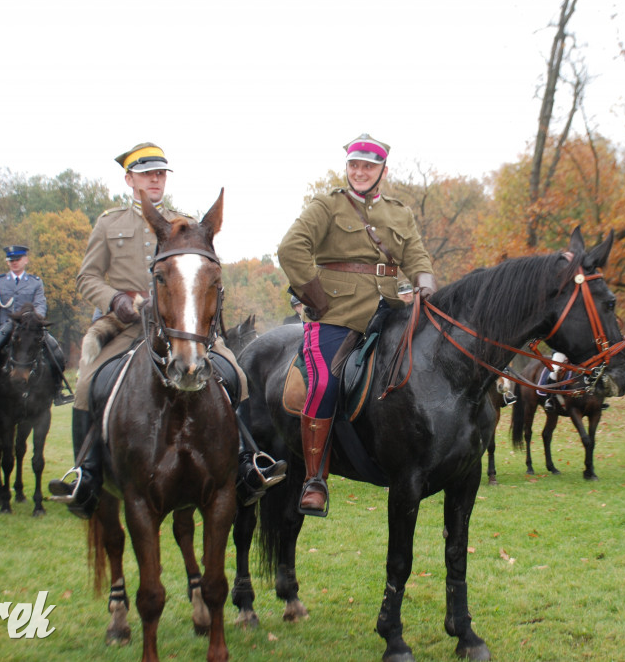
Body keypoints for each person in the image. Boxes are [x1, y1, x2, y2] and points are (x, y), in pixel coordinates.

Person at [49, 142, 285, 518]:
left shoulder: (185, 223)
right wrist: (115, 300)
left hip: (180, 329)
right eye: (146, 174)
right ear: (129, 179)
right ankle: (86, 473)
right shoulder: (110, 223)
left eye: (159, 174)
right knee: (85, 381)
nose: (154, 180)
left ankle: (246, 462)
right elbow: (87, 277)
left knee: (235, 373)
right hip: (127, 327)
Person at [277, 133, 437, 517]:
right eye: (354, 165)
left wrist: (426, 283)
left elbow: (415, 253)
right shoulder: (327, 205)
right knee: (325, 380)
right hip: (338, 313)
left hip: (393, 308)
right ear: (347, 167)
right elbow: (290, 248)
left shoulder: (399, 213)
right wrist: (316, 297)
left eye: (368, 166)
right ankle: (314, 478)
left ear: (382, 170)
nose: (360, 172)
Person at [0, 245, 72, 409]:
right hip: (6, 328)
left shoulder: (35, 282)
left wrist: (35, 321)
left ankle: (57, 391)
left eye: (17, 260)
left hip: (31, 329)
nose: (14, 263)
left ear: (25, 260)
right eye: (11, 260)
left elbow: (40, 305)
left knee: (56, 352)